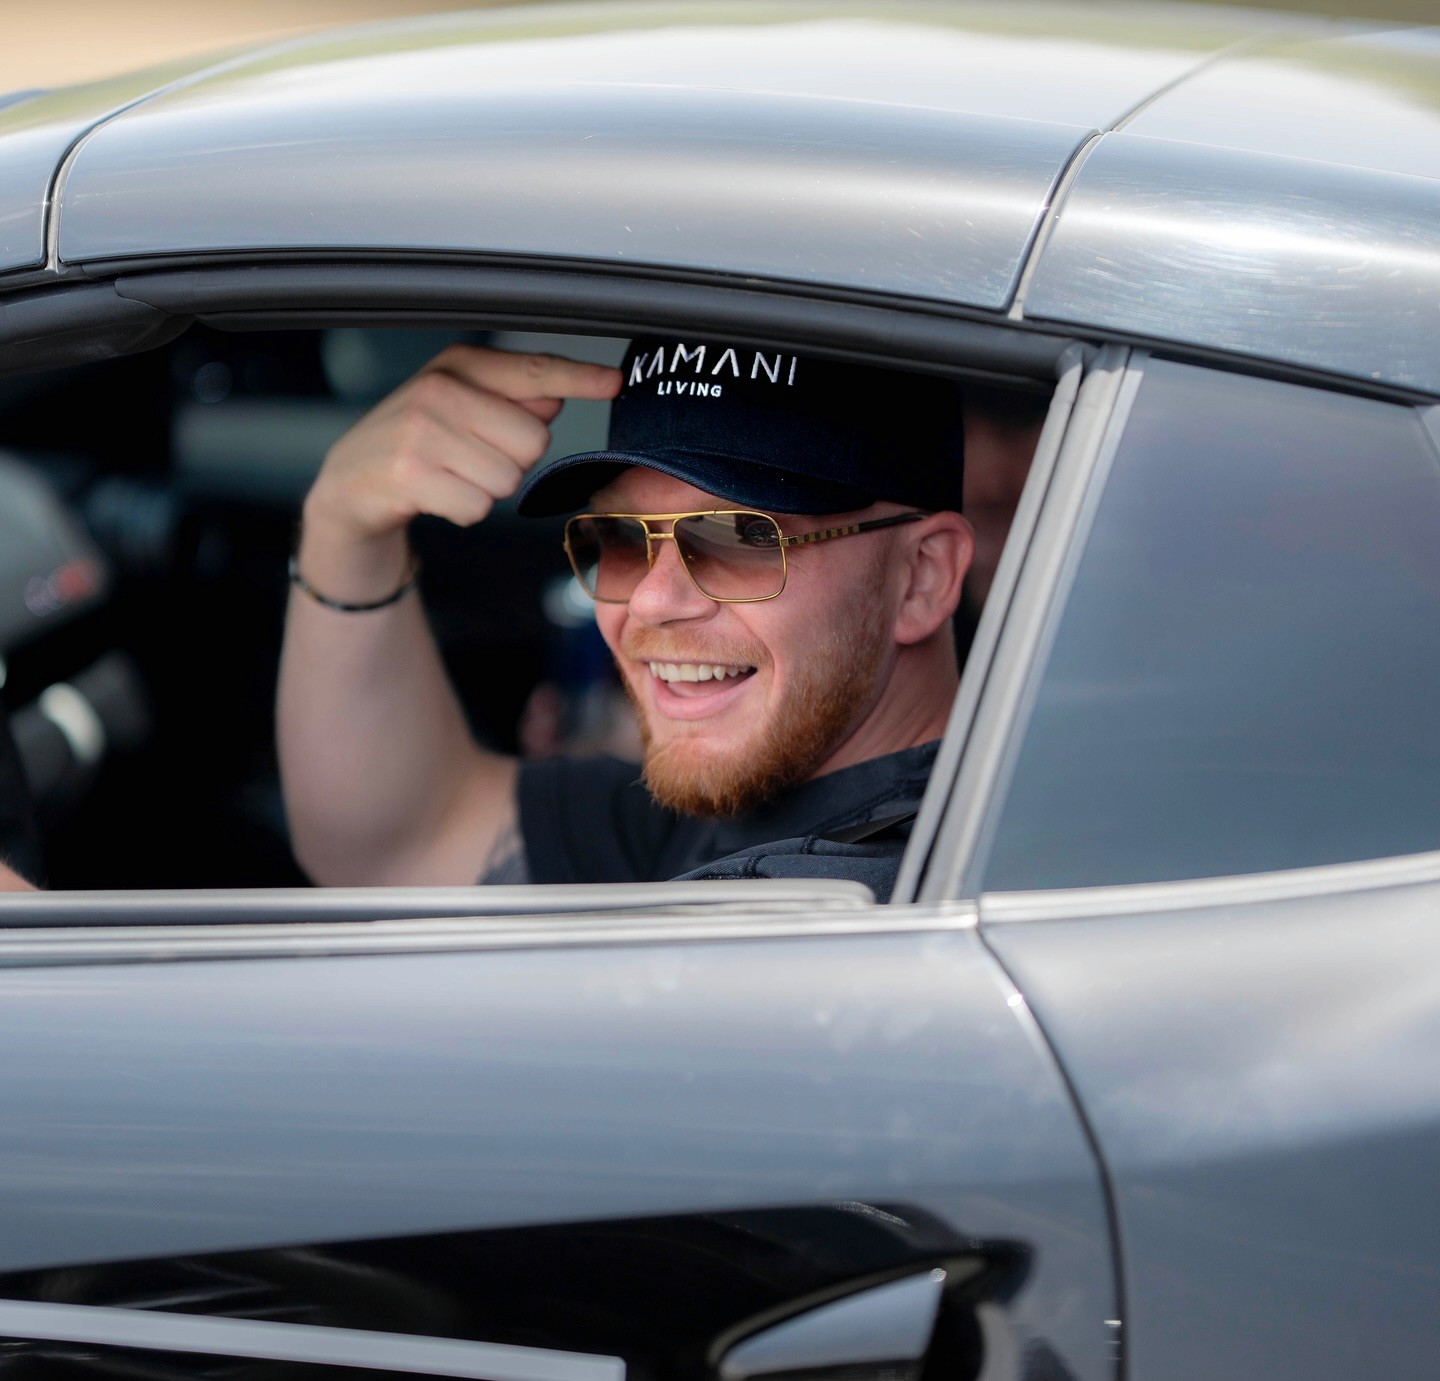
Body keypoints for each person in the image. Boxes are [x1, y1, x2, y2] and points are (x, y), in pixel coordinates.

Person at [277, 337, 973, 901]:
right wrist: (342, 524)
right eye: (618, 537)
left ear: (922, 577)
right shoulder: (743, 803)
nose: (651, 600)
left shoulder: (868, 904)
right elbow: (395, 841)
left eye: (740, 535)